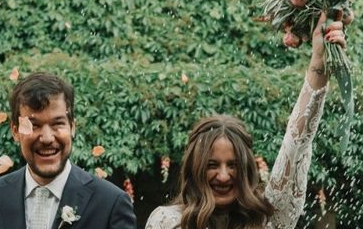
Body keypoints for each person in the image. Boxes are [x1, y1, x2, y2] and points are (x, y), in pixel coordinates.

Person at [145, 13, 346, 229]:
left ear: (246, 169)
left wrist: (319, 60)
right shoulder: (167, 222)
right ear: (196, 168)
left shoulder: (265, 221)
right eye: (212, 165)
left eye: (233, 165)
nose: (223, 176)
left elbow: (296, 142)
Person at [0, 72, 136, 229]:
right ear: (15, 131)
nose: (47, 138)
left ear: (72, 127)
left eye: (57, 124)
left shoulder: (111, 203)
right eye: (34, 125)